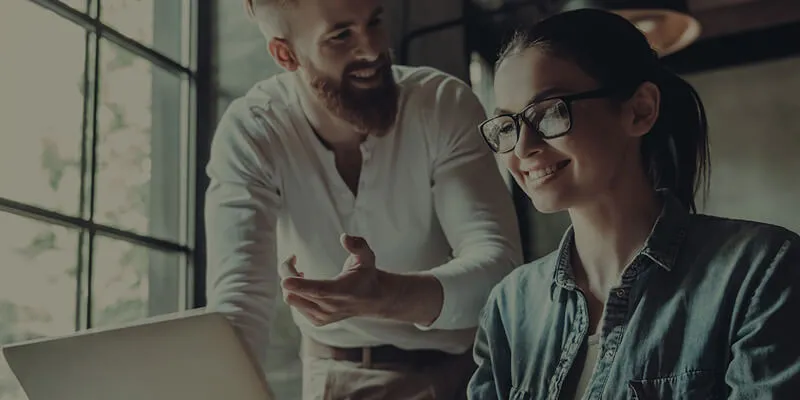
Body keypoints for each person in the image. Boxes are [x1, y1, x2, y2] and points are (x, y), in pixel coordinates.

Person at [467, 8, 800, 400]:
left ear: (640, 110)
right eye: (507, 125)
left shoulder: (760, 271)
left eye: (549, 113)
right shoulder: (510, 306)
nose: (523, 147)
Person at [204, 0, 523, 398]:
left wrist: (384, 296)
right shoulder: (253, 132)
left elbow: (500, 273)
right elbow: (239, 303)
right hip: (341, 377)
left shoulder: (442, 103)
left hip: (473, 372)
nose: (373, 49)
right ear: (285, 54)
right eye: (340, 36)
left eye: (374, 21)